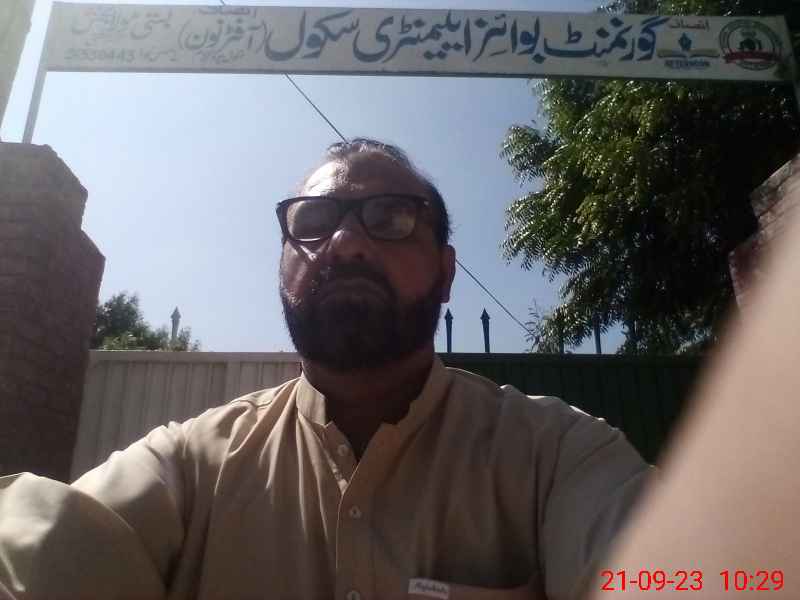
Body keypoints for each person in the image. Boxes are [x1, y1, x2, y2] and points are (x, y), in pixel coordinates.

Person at [0, 138, 652, 600]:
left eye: (391, 218)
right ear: (282, 267)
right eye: (313, 221)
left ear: (447, 272)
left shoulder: (556, 457)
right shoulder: (191, 468)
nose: (343, 242)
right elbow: (43, 549)